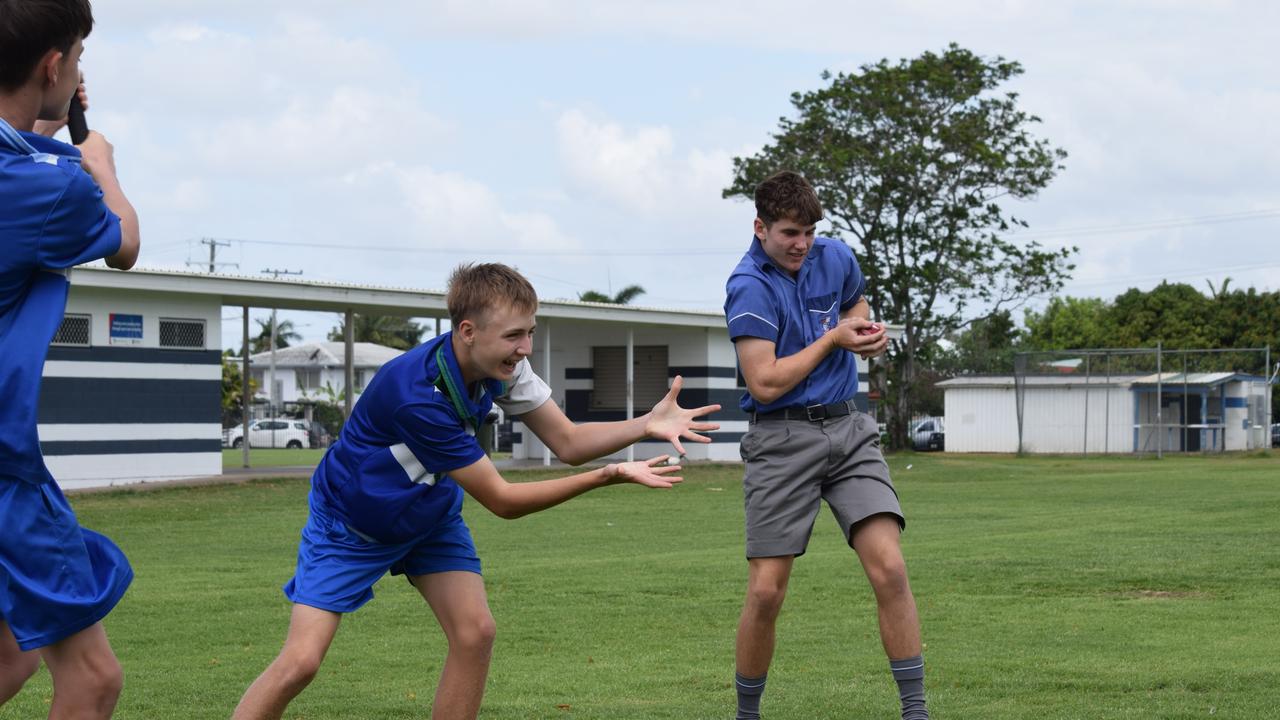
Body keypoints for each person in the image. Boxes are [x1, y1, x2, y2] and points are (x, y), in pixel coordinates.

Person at [233, 262, 721, 720]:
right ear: (468, 331)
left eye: (529, 332)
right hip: (353, 526)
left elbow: (568, 442)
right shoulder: (417, 398)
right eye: (514, 335)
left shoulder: (501, 367)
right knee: (302, 663)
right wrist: (608, 475)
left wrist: (645, 424)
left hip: (429, 517)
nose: (526, 347)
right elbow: (503, 502)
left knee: (475, 633)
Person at [723, 171, 928, 719]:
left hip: (849, 430)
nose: (802, 244)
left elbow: (854, 307)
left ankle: (917, 713)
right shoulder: (748, 285)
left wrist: (861, 332)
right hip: (781, 438)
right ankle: (747, 714)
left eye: (810, 231)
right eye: (790, 232)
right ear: (760, 227)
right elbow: (763, 381)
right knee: (767, 592)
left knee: (890, 567)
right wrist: (833, 338)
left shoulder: (835, 257)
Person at [0, 0, 142, 716]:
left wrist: (43, 132)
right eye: (77, 57)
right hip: (4, 478)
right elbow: (122, 241)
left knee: (10, 655)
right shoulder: (54, 186)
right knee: (91, 677)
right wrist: (98, 161)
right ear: (53, 65)